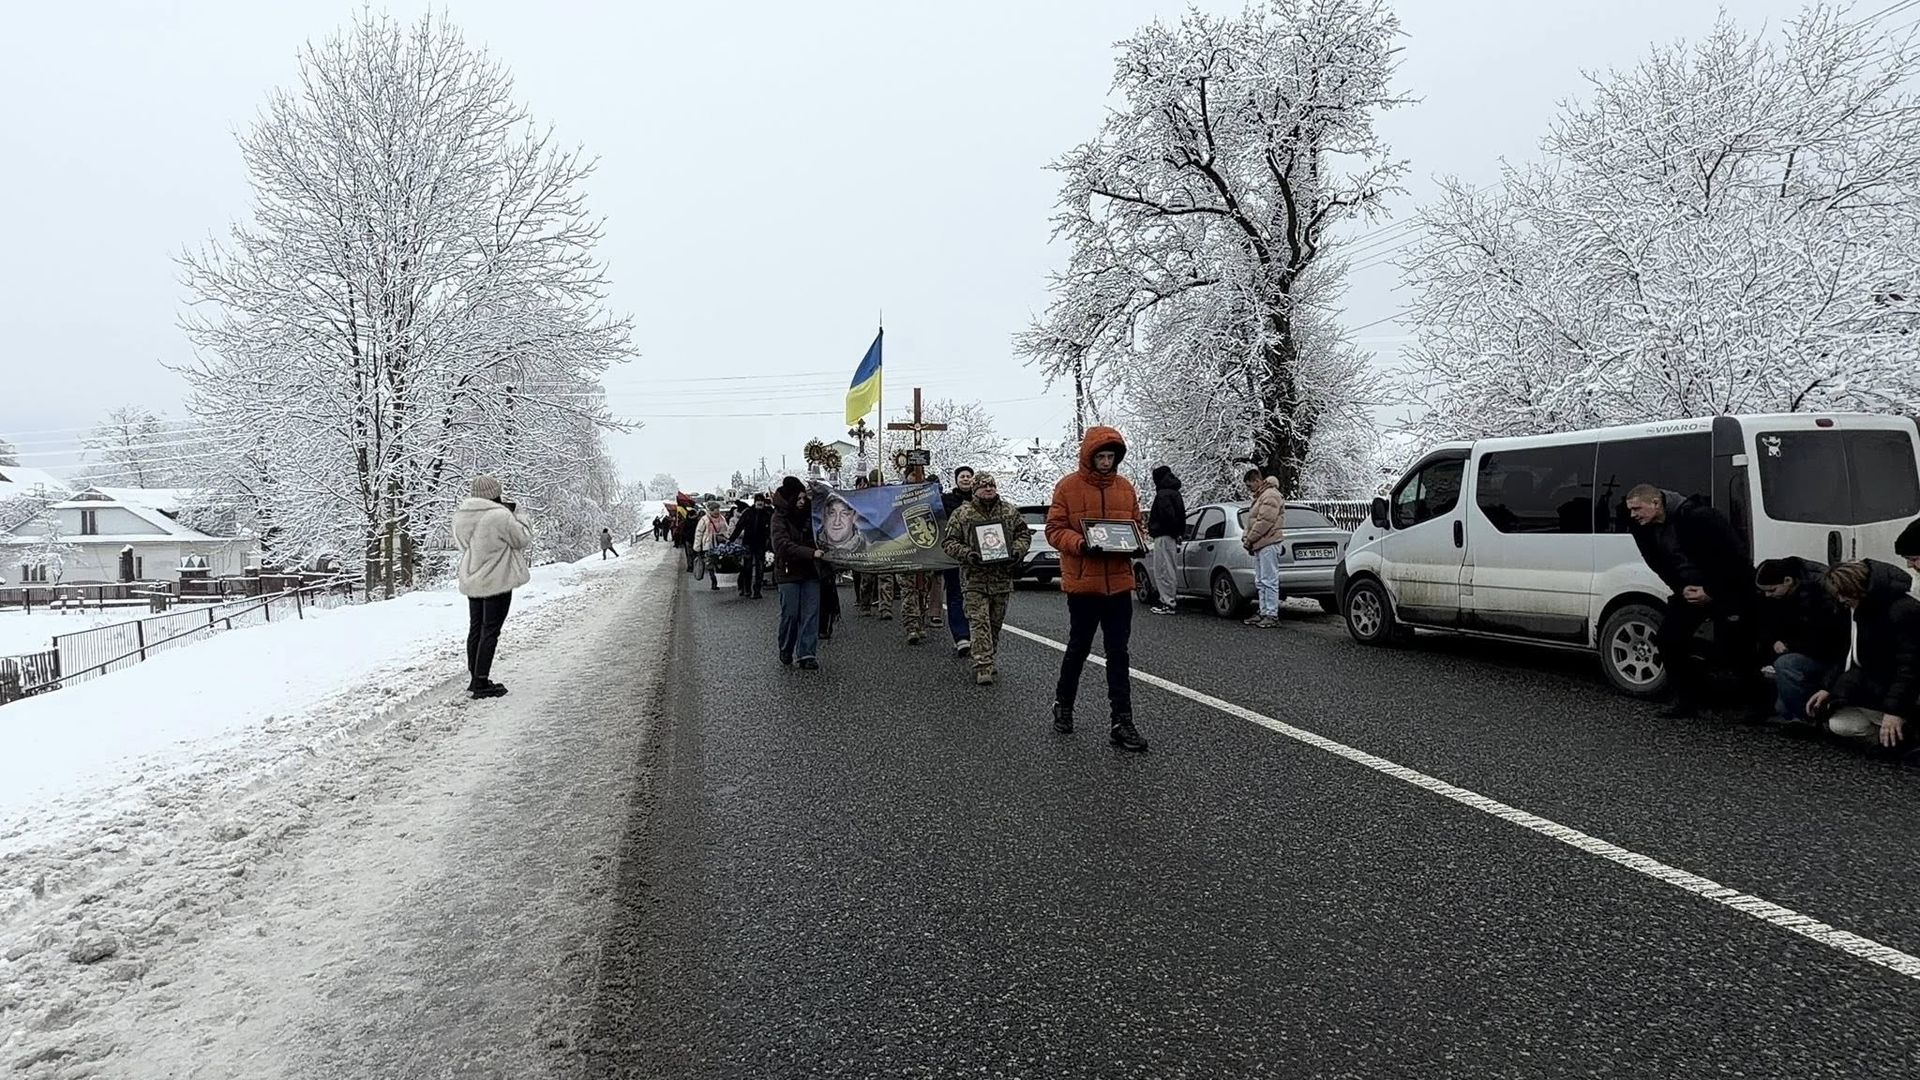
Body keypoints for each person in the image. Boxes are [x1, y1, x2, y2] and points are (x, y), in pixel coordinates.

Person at [1046, 426, 1150, 752]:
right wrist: (1080, 543)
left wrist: (1137, 544)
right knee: (1079, 646)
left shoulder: (1125, 489)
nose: (1106, 462)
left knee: (1118, 653)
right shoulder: (1068, 487)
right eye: (1101, 456)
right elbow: (1054, 530)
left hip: (1118, 584)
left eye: (1111, 457)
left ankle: (1122, 721)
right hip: (1084, 584)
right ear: (1089, 457)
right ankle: (1064, 703)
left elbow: (1136, 526)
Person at [1625, 483, 1752, 718]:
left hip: (1725, 588)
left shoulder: (1700, 517)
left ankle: (1753, 704)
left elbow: (1735, 557)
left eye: (1637, 508)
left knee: (1736, 646)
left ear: (1656, 503)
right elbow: (1658, 563)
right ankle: (1688, 700)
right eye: (1630, 510)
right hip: (1688, 590)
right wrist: (1682, 589)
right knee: (1667, 640)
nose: (1633, 515)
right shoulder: (1642, 528)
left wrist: (1711, 591)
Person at [1809, 560, 1919, 752]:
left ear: (1856, 588)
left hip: (1900, 686)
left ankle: (1899, 730)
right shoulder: (1853, 609)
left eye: (1843, 594)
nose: (1841, 600)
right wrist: (1828, 687)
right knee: (1841, 724)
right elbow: (1845, 650)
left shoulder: (1902, 610)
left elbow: (1909, 666)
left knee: (1854, 717)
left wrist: (1895, 711)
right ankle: (1894, 735)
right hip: (1874, 682)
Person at [941, 472, 1031, 685]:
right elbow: (949, 542)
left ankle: (989, 656)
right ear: (975, 490)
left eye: (992, 485)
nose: (989, 489)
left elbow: (1023, 535)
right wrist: (968, 554)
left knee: (993, 624)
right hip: (975, 579)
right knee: (979, 622)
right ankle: (983, 665)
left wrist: (1017, 551)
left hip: (1001, 578)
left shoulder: (1008, 511)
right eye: (983, 486)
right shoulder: (963, 514)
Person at [451, 475, 531, 700]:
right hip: (496, 579)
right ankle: (481, 682)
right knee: (491, 631)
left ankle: (475, 677)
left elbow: (461, 545)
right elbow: (522, 539)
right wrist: (519, 515)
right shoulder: (500, 515)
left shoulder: (462, 516)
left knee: (476, 628)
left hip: (473, 578)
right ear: (495, 493)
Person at [1753, 558, 1849, 727]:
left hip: (1828, 656)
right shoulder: (1785, 594)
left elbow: (1827, 641)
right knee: (1783, 708)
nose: (1768, 595)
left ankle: (1808, 717)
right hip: (1806, 649)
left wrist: (1789, 646)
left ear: (1788, 581)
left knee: (1786, 665)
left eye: (1772, 590)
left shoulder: (1821, 596)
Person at [770, 476, 825, 669]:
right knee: (791, 614)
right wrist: (811, 553)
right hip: (789, 571)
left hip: (810, 571)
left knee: (811, 614)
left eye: (804, 498)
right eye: (799, 499)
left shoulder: (812, 515)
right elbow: (782, 545)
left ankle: (806, 654)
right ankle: (786, 648)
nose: (802, 502)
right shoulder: (778, 518)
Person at [1240, 468, 1287, 629]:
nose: (1249, 489)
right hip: (1261, 543)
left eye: (1249, 485)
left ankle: (1271, 614)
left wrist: (1250, 538)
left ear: (1257, 481)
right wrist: (1248, 537)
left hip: (1268, 542)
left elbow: (1264, 521)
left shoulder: (1270, 495)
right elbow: (1253, 520)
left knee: (1269, 580)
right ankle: (1264, 610)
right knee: (1261, 580)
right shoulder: (1262, 496)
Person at [939, 466, 978, 657]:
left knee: (975, 596)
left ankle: (977, 636)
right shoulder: (946, 500)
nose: (965, 479)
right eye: (962, 476)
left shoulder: (981, 500)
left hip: (977, 558)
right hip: (953, 556)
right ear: (956, 480)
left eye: (969, 476)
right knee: (955, 594)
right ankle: (961, 636)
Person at [1146, 465, 1185, 615]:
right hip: (1173, 536)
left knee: (1162, 569)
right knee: (1170, 568)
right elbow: (1180, 516)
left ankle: (1167, 601)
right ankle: (1170, 599)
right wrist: (1178, 533)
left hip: (1163, 535)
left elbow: (1167, 515)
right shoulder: (1175, 493)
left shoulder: (1162, 494)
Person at [731, 494, 773, 599]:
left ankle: (757, 590)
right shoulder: (748, 513)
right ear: (754, 502)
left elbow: (771, 530)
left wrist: (769, 542)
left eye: (762, 501)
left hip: (761, 545)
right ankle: (747, 589)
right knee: (747, 568)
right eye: (758, 500)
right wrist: (731, 540)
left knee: (760, 568)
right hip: (748, 544)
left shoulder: (767, 514)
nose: (760, 502)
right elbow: (739, 527)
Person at [693, 503, 728, 591]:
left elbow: (726, 530)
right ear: (710, 511)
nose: (717, 513)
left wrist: (727, 539)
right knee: (710, 563)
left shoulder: (722, 518)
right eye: (716, 511)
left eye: (718, 511)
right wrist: (697, 547)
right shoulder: (704, 520)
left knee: (719, 562)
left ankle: (720, 580)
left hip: (720, 544)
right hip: (708, 545)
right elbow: (698, 534)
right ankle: (714, 581)